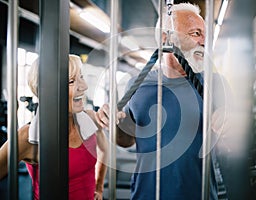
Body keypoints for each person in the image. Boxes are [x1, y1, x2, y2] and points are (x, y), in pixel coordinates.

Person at [96, 3, 232, 200]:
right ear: (166, 38)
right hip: (145, 195)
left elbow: (235, 140)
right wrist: (112, 122)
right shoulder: (138, 84)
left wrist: (232, 127)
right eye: (195, 33)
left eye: (206, 35)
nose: (204, 41)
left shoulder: (217, 85)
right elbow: (126, 139)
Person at [0, 55, 108, 200]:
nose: (84, 86)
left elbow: (104, 150)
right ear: (49, 90)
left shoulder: (89, 119)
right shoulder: (27, 137)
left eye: (81, 77)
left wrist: (99, 187)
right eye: (71, 81)